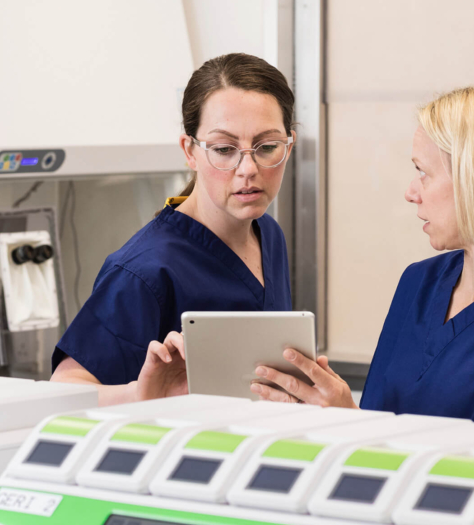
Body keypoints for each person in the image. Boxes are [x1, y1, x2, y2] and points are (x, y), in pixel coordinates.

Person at [253, 84, 474, 431]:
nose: (411, 192)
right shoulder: (420, 282)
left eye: (423, 173)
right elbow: (380, 427)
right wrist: (336, 415)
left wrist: (350, 422)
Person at [51, 53, 296, 405]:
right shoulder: (145, 272)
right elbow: (64, 389)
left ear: (289, 144)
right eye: (224, 149)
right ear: (190, 151)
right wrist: (145, 393)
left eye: (267, 147)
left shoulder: (267, 234)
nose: (248, 168)